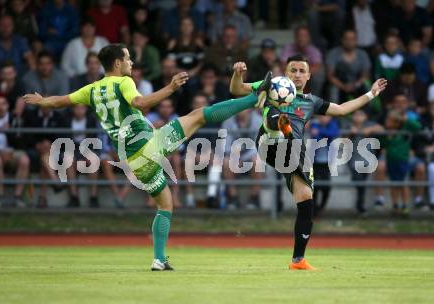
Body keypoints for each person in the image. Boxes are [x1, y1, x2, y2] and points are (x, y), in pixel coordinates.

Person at [24, 43, 272, 271]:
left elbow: (60, 102)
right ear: (118, 64)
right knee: (199, 115)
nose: (131, 63)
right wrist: (171, 88)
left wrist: (42, 101)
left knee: (165, 205)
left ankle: (159, 259)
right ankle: (255, 97)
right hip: (149, 146)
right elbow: (141, 102)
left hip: (134, 163)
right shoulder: (123, 82)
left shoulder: (91, 89)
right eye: (129, 58)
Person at [230, 54, 387, 270]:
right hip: (269, 143)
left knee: (306, 199)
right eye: (293, 70)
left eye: (301, 71)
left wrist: (371, 93)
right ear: (285, 73)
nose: (297, 74)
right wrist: (237, 74)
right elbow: (237, 90)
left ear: (308, 76)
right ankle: (279, 124)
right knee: (273, 118)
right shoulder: (271, 84)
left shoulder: (311, 102)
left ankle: (298, 260)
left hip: (294, 150)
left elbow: (341, 110)